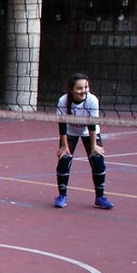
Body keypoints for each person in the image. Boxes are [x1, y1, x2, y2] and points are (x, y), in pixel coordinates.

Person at [54, 72, 112, 210]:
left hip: (89, 132)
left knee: (97, 160)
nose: (84, 91)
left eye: (86, 87)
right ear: (71, 89)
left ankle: (100, 197)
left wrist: (94, 147)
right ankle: (62, 196)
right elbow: (62, 124)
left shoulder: (92, 100)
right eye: (80, 88)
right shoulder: (63, 100)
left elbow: (92, 124)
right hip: (70, 131)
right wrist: (64, 146)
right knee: (64, 160)